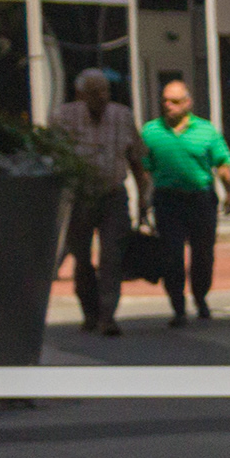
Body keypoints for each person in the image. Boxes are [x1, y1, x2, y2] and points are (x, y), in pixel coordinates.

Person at [136, 74, 230, 326]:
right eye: (165, 101)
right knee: (171, 254)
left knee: (203, 253)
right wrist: (142, 199)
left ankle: (201, 297)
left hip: (200, 199)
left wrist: (229, 193)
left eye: (175, 101)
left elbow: (223, 164)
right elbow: (145, 169)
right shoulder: (151, 131)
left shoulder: (206, 130)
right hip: (168, 200)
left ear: (188, 103)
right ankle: (178, 306)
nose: (168, 106)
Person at [47, 66, 137, 337]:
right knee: (82, 258)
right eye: (95, 92)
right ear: (81, 95)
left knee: (112, 257)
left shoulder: (122, 116)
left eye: (105, 90)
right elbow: (54, 156)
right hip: (80, 197)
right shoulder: (63, 117)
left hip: (113, 195)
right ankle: (90, 312)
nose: (102, 97)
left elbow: (135, 156)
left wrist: (144, 196)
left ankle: (108, 316)